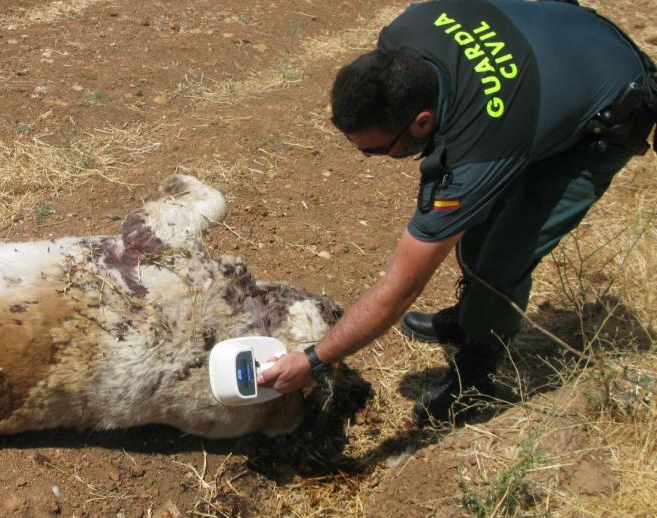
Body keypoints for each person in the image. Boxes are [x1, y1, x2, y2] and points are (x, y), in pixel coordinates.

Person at [257, 0, 656, 425]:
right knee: (477, 229)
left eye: (375, 149)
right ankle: (470, 319)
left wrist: (315, 359)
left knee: (503, 258)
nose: (368, 158)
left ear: (422, 122)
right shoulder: (404, 32)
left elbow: (401, 287)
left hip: (609, 103)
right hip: (560, 44)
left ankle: (476, 378)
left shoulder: (478, 152)